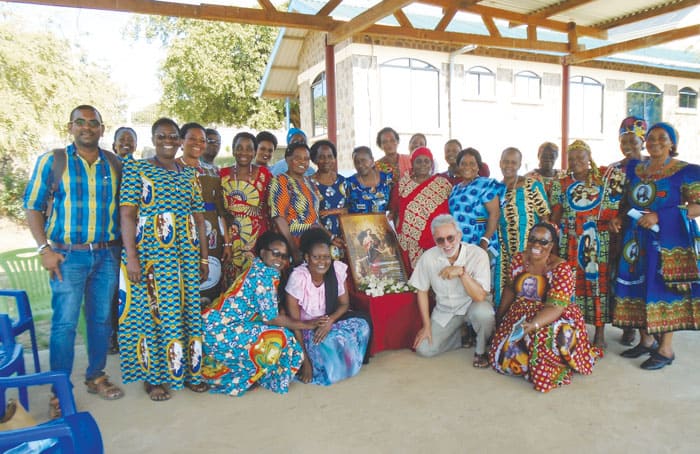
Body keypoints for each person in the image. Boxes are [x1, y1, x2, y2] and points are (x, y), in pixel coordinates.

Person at [24, 105, 125, 416]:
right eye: (80, 122)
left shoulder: (114, 163)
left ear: (102, 128)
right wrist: (44, 249)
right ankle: (59, 391)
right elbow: (32, 205)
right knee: (64, 324)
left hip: (106, 254)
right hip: (67, 256)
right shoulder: (54, 161)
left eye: (93, 123)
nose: (87, 128)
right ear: (71, 127)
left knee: (100, 321)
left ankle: (95, 375)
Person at [119, 117, 209, 401]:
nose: (168, 141)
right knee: (154, 313)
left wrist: (204, 259)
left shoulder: (189, 174)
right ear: (154, 139)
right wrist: (132, 258)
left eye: (173, 136)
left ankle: (190, 373)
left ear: (180, 141)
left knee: (187, 313)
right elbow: (127, 214)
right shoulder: (137, 168)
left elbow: (198, 216)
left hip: (186, 254)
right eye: (161, 136)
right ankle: (154, 378)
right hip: (151, 256)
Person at [611, 122, 700, 370]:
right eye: (651, 138)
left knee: (664, 289)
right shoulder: (636, 169)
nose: (655, 142)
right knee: (639, 285)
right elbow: (625, 201)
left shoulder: (686, 171)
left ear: (672, 143)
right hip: (635, 237)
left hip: (668, 241)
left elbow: (697, 207)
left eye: (663, 138)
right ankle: (646, 340)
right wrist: (618, 217)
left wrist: (661, 216)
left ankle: (666, 349)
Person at [202, 232, 322, 396]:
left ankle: (254, 374)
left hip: (212, 327)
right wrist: (307, 324)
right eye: (275, 253)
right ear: (262, 251)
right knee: (280, 338)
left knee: (279, 335)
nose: (279, 260)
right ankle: (248, 377)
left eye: (284, 256)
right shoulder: (263, 277)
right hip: (220, 332)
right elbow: (272, 318)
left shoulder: (259, 268)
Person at [490, 223, 600, 392]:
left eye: (543, 242)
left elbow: (555, 307)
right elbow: (511, 288)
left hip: (555, 313)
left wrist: (533, 325)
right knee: (504, 356)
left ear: (551, 245)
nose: (536, 245)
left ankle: (551, 369)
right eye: (533, 240)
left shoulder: (561, 268)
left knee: (545, 335)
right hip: (523, 310)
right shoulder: (519, 259)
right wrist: (499, 317)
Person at [550, 139, 625, 349]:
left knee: (597, 285)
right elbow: (556, 213)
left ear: (589, 157)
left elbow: (619, 205)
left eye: (580, 157)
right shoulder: (561, 183)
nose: (576, 162)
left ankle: (600, 331)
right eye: (571, 159)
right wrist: (553, 241)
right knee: (570, 284)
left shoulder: (605, 179)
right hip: (570, 240)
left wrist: (615, 220)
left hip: (597, 241)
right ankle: (573, 328)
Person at [286, 229, 371, 385]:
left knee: (362, 325)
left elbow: (344, 304)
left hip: (329, 320)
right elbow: (294, 324)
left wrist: (330, 321)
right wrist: (305, 363)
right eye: (316, 257)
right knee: (331, 343)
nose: (322, 262)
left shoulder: (336, 270)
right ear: (307, 258)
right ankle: (328, 365)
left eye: (326, 257)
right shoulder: (298, 278)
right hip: (305, 328)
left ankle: (343, 364)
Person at [409, 214, 495, 368]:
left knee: (484, 314)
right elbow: (421, 291)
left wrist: (462, 272)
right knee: (424, 350)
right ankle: (463, 336)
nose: (446, 244)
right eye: (440, 240)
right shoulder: (428, 257)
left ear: (459, 235)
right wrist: (426, 326)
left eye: (451, 238)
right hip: (446, 311)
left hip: (472, 305)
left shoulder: (478, 254)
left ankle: (481, 351)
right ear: (434, 239)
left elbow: (480, 296)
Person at [177, 122, 231, 306]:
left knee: (210, 279)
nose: (198, 143)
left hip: (211, 235)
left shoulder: (213, 171)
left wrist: (227, 242)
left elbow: (220, 209)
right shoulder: (169, 169)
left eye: (202, 140)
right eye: (192, 138)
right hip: (181, 234)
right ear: (181, 141)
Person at [607, 116, 648, 346]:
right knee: (621, 277)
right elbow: (609, 201)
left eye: (633, 142)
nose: (629, 147)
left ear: (642, 142)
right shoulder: (613, 169)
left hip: (647, 231)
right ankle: (627, 325)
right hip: (620, 231)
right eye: (624, 142)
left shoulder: (652, 167)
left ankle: (650, 329)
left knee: (646, 276)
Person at [495, 147, 550, 306]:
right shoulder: (496, 189)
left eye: (513, 162)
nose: (509, 165)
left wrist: (542, 248)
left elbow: (545, 216)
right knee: (505, 288)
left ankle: (527, 325)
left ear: (519, 164)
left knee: (529, 287)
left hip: (530, 250)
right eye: (506, 161)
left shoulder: (531, 185)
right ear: (500, 163)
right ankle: (503, 325)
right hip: (504, 251)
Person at [220, 132, 272, 287]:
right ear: (233, 150)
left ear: (255, 152)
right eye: (239, 148)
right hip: (231, 238)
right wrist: (227, 243)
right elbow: (220, 211)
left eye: (249, 148)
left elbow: (270, 207)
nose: (244, 152)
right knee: (231, 281)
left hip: (257, 236)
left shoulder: (265, 174)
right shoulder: (221, 175)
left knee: (256, 280)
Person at [391, 147, 452, 272]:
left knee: (436, 277)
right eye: (418, 161)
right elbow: (394, 210)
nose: (423, 164)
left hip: (436, 240)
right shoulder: (403, 184)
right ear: (412, 163)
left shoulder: (442, 184)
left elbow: (449, 210)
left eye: (426, 161)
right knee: (414, 280)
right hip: (408, 243)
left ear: (431, 163)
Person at [269, 142, 323, 263]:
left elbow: (315, 216)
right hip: (294, 241)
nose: (302, 162)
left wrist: (329, 237)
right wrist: (293, 249)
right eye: (297, 158)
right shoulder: (280, 181)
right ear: (287, 159)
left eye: (306, 159)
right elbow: (279, 218)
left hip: (314, 243)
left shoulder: (310, 183)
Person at [448, 148, 502, 249]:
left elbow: (495, 214)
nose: (467, 167)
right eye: (463, 164)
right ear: (459, 167)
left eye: (472, 163)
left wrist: (485, 240)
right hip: (459, 243)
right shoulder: (455, 189)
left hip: (481, 241)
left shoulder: (486, 185)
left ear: (478, 167)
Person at [310, 139, 347, 258]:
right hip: (320, 240)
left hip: (343, 239)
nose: (326, 160)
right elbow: (310, 217)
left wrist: (333, 211)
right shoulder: (308, 184)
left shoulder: (343, 181)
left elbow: (351, 208)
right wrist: (330, 237)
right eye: (321, 157)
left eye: (330, 156)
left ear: (334, 158)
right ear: (314, 160)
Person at [346, 146, 393, 215]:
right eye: (356, 162)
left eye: (363, 160)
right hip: (356, 225)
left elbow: (393, 204)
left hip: (381, 224)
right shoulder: (349, 183)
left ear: (372, 160)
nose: (360, 165)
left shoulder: (386, 179)